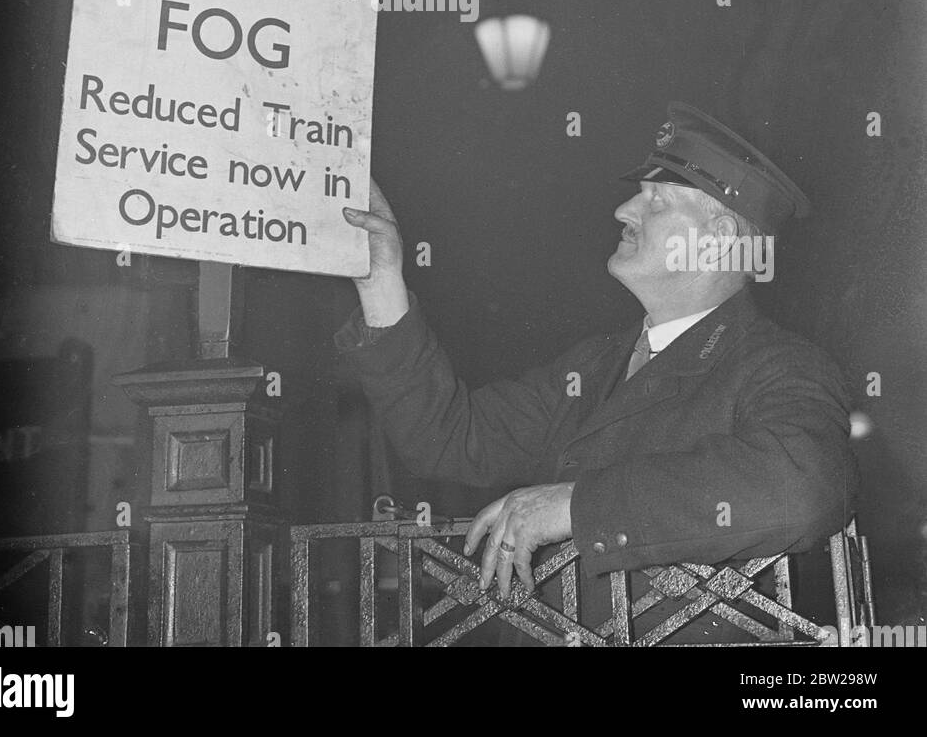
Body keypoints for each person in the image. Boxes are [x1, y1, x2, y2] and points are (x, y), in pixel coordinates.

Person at [338, 102, 858, 643]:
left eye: (657, 200)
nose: (625, 209)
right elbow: (447, 437)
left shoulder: (779, 363)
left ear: (719, 237)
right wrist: (381, 281)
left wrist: (575, 505)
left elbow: (804, 487)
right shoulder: (592, 366)